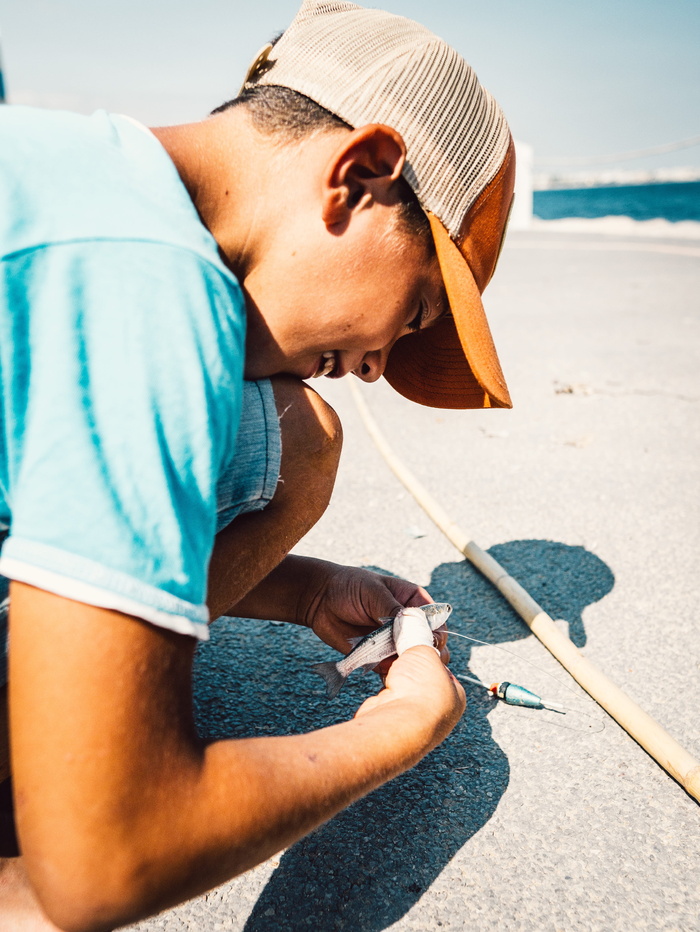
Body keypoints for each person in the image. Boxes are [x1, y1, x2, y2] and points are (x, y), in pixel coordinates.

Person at [0, 1, 515, 928]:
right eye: (413, 316)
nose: (376, 367)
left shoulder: (73, 170)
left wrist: (307, 592)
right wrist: (402, 727)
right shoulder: (148, 282)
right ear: (357, 176)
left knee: (300, 431)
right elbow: (105, 864)